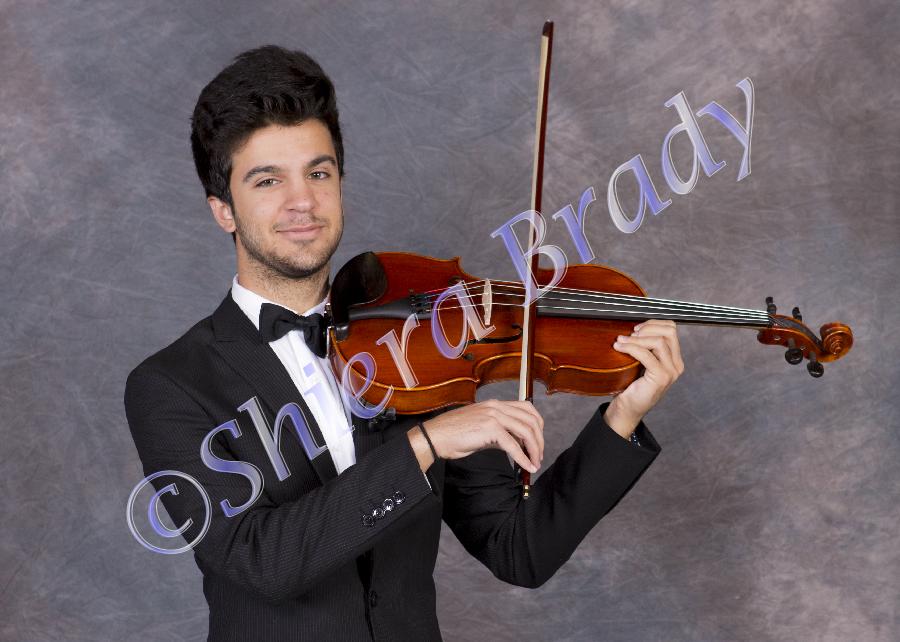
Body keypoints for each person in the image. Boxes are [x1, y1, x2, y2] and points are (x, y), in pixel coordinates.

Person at [124, 45, 684, 642]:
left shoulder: (421, 345)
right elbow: (262, 561)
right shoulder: (170, 386)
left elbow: (519, 548)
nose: (302, 201)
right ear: (223, 211)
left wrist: (623, 417)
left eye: (319, 173)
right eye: (268, 180)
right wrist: (424, 443)